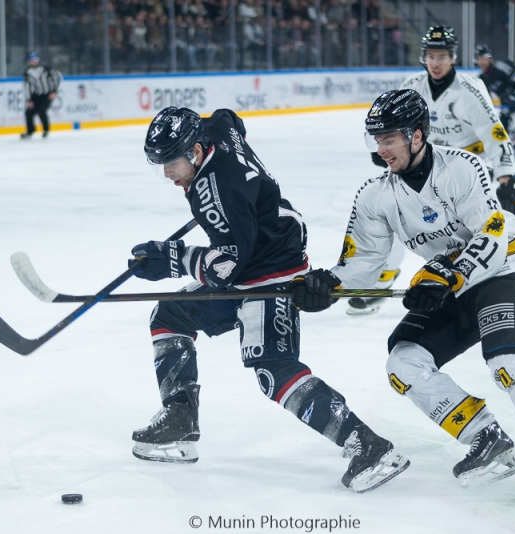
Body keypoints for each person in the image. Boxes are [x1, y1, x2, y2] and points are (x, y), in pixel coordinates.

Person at [288, 89, 515, 505]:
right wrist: (327, 284)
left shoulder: (463, 167)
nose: (381, 150)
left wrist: (450, 274)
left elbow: (492, 235)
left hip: (501, 270)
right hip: (448, 284)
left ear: (417, 135)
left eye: (389, 139)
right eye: (375, 140)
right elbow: (362, 262)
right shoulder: (375, 195)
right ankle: (486, 438)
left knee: (510, 362)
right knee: (404, 362)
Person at [129, 106, 409, 493]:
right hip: (258, 247)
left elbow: (225, 265)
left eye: (171, 164)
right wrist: (250, 202)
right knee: (170, 315)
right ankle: (180, 420)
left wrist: (170, 256)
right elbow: (230, 118)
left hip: (271, 270)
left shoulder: (218, 191)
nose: (166, 174)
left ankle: (368, 446)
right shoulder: (215, 129)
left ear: (195, 151)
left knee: (272, 368)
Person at [347, 27, 515, 316]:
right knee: (395, 215)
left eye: (442, 56)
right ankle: (383, 280)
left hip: (462, 170)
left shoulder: (469, 90)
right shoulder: (413, 85)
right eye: (430, 56)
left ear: (452, 57)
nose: (436, 63)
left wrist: (507, 178)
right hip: (420, 164)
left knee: (458, 230)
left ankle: (469, 274)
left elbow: (494, 133)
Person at [475, 44, 515, 183]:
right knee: (499, 136)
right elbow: (485, 99)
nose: (482, 61)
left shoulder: (502, 67)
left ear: (491, 58)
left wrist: (514, 100)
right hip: (507, 108)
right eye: (479, 58)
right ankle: (499, 168)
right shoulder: (483, 78)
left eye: (485, 57)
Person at [20, 52, 62, 139]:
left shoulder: (46, 68)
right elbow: (27, 86)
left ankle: (46, 130)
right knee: (29, 112)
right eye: (32, 60)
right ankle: (30, 131)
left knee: (41, 111)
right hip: (36, 95)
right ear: (29, 61)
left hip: (47, 94)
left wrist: (54, 91)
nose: (34, 62)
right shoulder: (28, 72)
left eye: (36, 60)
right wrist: (29, 100)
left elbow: (57, 77)